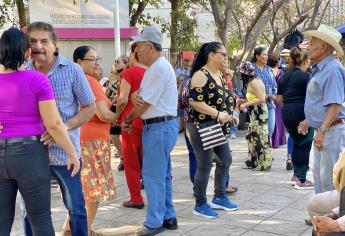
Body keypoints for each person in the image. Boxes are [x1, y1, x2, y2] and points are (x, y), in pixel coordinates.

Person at [0, 27, 79, 236]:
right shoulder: (37, 80)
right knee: (40, 219)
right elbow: (53, 124)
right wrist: (72, 153)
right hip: (30, 155)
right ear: (26, 52)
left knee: (1, 220)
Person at [24, 21, 96, 236]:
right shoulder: (22, 71)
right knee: (32, 210)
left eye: (44, 41)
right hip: (30, 154)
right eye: (33, 41)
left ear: (55, 44)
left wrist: (62, 129)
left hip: (65, 154)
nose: (39, 46)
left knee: (75, 207)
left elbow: (90, 107)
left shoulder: (72, 70)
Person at [121, 26, 179, 236]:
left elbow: (142, 102)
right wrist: (136, 100)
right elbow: (139, 96)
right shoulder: (158, 67)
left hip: (157, 127)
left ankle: (155, 222)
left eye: (138, 47)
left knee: (153, 176)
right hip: (162, 126)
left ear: (148, 46)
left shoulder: (157, 68)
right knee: (162, 175)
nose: (136, 51)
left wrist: (127, 119)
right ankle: (168, 216)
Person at [186, 42, 238, 219]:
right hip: (203, 126)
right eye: (223, 54)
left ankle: (219, 197)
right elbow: (194, 102)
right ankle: (200, 204)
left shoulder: (220, 75)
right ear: (211, 55)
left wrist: (231, 115)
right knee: (205, 164)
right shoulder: (201, 75)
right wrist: (217, 114)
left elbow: (224, 100)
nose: (226, 58)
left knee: (225, 160)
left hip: (217, 126)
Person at [73, 46, 117, 235]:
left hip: (84, 140)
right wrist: (122, 110)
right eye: (92, 59)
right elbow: (105, 114)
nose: (97, 62)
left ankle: (76, 229)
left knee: (84, 190)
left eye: (97, 58)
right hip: (93, 143)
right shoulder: (90, 81)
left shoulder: (81, 80)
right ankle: (84, 231)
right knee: (93, 192)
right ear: (79, 63)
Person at [298, 24, 345, 194]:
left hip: (330, 131)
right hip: (325, 130)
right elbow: (320, 101)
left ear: (323, 46)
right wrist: (308, 121)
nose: (308, 47)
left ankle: (330, 218)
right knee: (320, 176)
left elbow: (335, 104)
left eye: (311, 43)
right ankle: (321, 215)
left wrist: (322, 130)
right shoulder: (321, 68)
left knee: (329, 179)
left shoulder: (332, 69)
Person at [277, 47, 314, 189]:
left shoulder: (283, 76)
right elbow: (312, 98)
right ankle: (303, 180)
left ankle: (295, 176)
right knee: (304, 145)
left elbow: (280, 99)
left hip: (287, 113)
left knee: (297, 143)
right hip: (302, 113)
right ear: (304, 61)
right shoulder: (306, 76)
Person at [116, 42, 147, 209]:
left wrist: (117, 117)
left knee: (131, 162)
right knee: (150, 160)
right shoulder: (152, 72)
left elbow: (122, 100)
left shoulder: (129, 73)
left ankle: (136, 198)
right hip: (149, 122)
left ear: (134, 53)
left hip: (130, 123)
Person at [238, 61, 272, 171]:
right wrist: (243, 100)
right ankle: (253, 161)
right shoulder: (252, 81)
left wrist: (245, 104)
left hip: (259, 113)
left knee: (261, 138)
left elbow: (261, 99)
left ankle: (265, 164)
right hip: (254, 113)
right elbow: (254, 98)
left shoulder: (254, 82)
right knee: (251, 137)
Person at [106, 55, 129, 171]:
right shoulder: (113, 80)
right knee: (114, 136)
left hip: (126, 109)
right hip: (114, 109)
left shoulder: (129, 77)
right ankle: (122, 156)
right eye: (114, 61)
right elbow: (107, 95)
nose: (115, 63)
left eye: (118, 61)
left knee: (126, 136)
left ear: (126, 64)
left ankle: (128, 158)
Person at [252, 47, 277, 141]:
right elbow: (247, 88)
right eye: (264, 54)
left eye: (267, 55)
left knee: (270, 129)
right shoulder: (251, 70)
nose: (266, 57)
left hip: (270, 105)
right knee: (258, 132)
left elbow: (274, 85)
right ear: (257, 56)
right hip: (256, 105)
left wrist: (273, 94)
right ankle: (259, 154)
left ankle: (266, 153)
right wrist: (263, 96)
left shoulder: (269, 70)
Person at [267, 54, 286, 148]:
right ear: (277, 61)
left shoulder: (267, 71)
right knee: (278, 119)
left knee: (270, 119)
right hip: (278, 97)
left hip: (268, 97)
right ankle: (276, 141)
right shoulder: (280, 72)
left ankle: (269, 140)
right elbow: (282, 85)